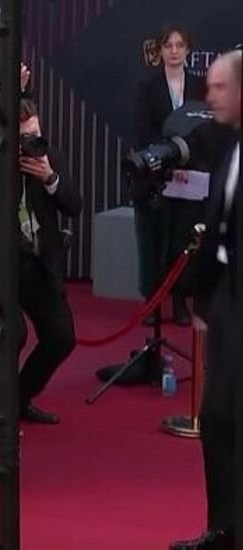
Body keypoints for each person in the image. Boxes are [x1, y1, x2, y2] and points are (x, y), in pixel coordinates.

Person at [0, 100, 82, 423]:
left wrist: (50, 179)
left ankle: (18, 398)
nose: (33, 143)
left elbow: (74, 205)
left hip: (38, 263)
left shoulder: (48, 157)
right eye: (25, 138)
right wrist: (5, 166)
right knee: (10, 333)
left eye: (36, 133)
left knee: (61, 336)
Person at [170, 49, 241, 550]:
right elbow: (220, 227)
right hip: (229, 300)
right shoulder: (228, 143)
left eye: (219, 87)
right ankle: (223, 531)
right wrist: (205, 301)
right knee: (216, 419)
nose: (209, 96)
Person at [133, 25, 207, 329]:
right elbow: (142, 130)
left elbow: (206, 128)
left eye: (179, 45)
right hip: (156, 178)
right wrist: (166, 159)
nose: (174, 51)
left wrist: (186, 158)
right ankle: (152, 302)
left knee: (183, 242)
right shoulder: (147, 86)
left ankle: (179, 301)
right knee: (153, 244)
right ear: (160, 50)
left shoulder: (201, 86)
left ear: (188, 50)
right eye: (168, 45)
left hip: (191, 177)